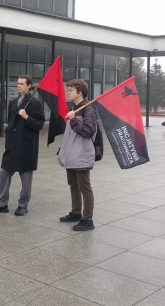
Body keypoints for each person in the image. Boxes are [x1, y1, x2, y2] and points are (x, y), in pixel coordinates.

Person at [0, 74, 44, 216]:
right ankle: (2, 203)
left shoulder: (35, 103)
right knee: (4, 173)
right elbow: (10, 123)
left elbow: (39, 125)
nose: (18, 86)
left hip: (26, 146)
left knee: (26, 177)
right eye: (17, 83)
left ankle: (23, 205)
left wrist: (26, 117)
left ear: (29, 85)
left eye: (22, 83)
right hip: (12, 145)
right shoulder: (13, 103)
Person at [56, 79, 98, 231]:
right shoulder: (74, 108)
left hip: (81, 156)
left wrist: (74, 120)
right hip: (71, 156)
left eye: (71, 90)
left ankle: (88, 220)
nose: (68, 92)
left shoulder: (88, 110)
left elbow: (88, 132)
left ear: (80, 92)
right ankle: (76, 212)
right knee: (73, 185)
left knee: (84, 187)